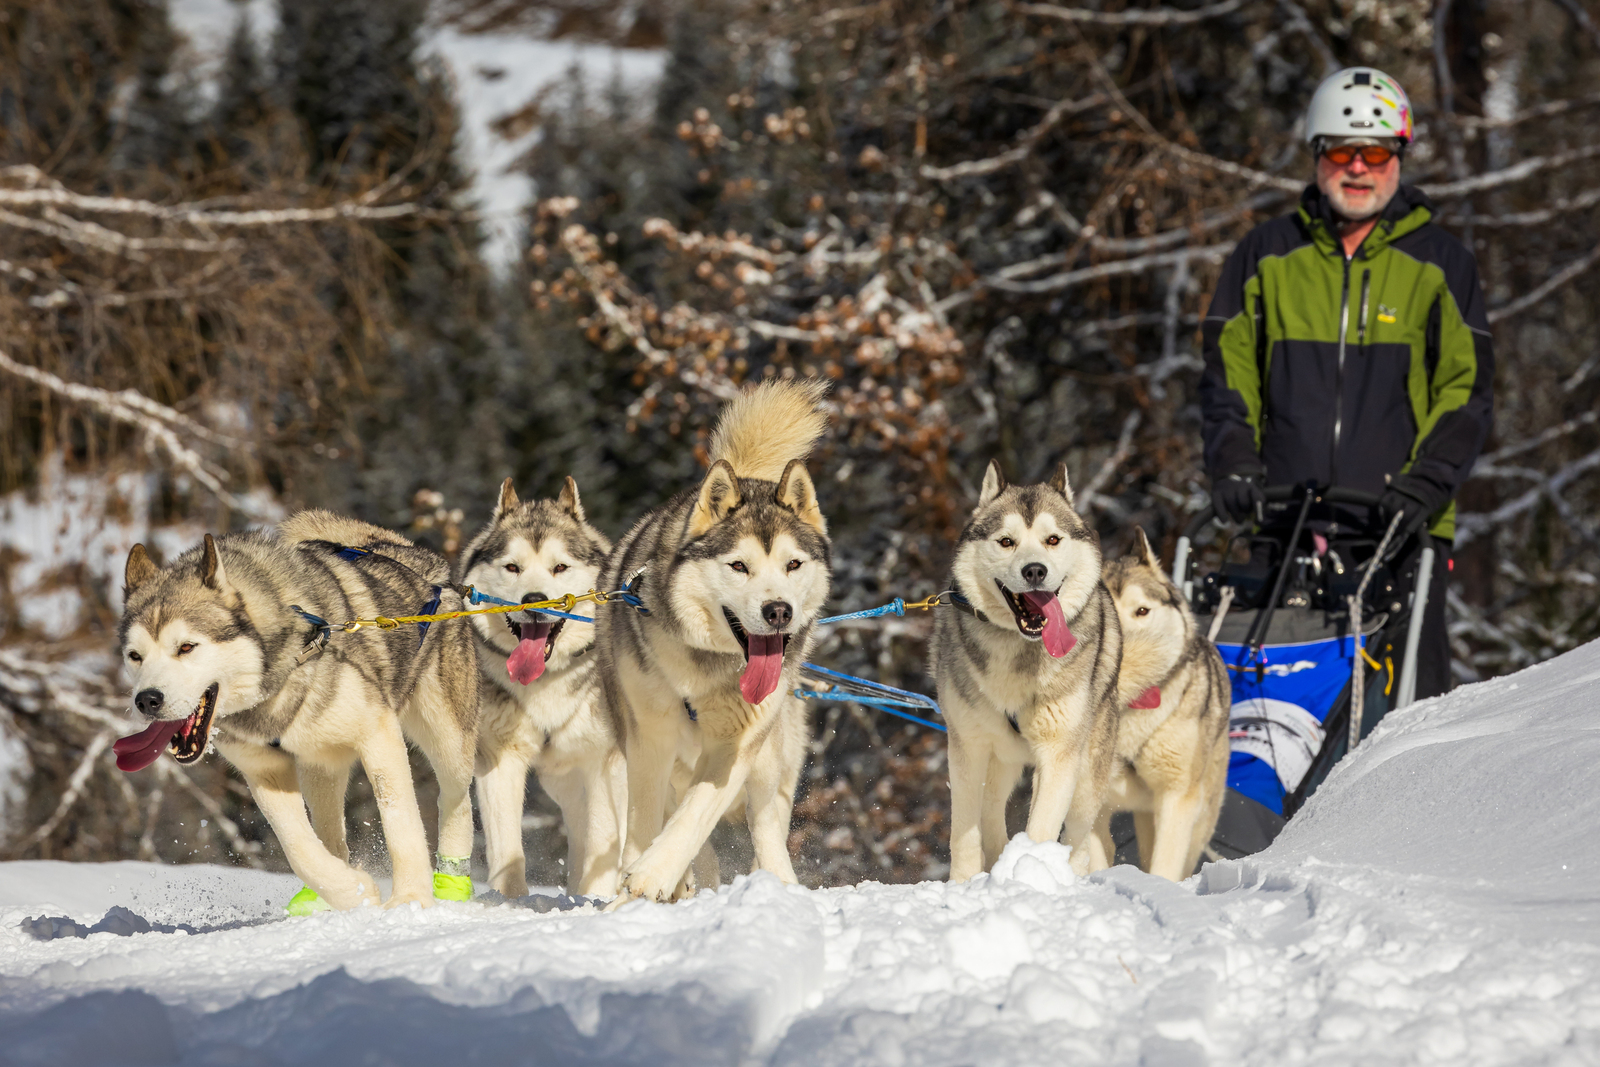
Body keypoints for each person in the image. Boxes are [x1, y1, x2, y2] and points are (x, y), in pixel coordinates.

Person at [1198, 67, 1494, 701]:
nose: (1357, 168)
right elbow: (1229, 374)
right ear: (1316, 155)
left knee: (1405, 719)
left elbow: (1466, 391)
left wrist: (1429, 482)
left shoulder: (1443, 265)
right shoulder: (1265, 255)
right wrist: (1233, 464)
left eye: (1376, 152)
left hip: (1399, 532)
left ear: (1398, 158)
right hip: (1279, 523)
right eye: (1340, 151)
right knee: (1265, 709)